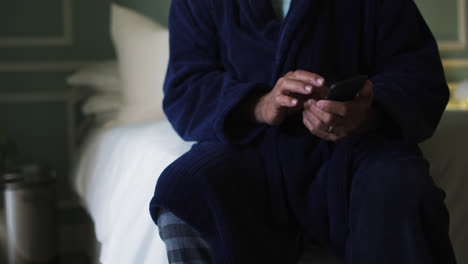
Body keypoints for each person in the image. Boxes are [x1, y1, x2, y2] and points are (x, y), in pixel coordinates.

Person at [150, 0, 457, 263]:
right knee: (185, 190)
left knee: (401, 188)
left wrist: (368, 112)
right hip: (249, 147)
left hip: (356, 146)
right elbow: (186, 87)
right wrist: (259, 105)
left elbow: (419, 73)